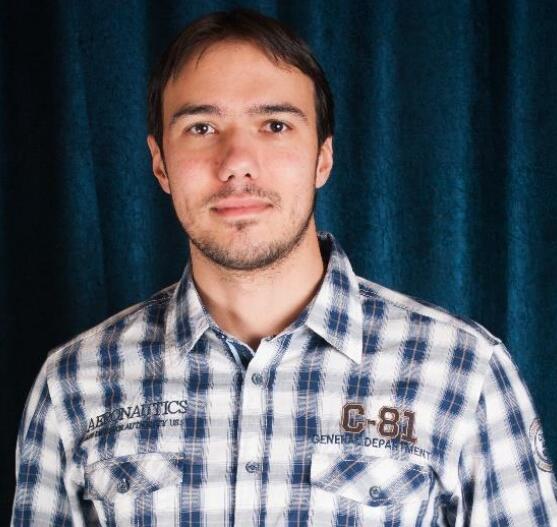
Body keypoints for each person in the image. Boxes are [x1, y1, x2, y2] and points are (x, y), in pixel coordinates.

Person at [11, 8, 557, 527]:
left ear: (323, 157)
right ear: (160, 164)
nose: (237, 163)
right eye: (201, 128)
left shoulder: (464, 373)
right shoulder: (73, 383)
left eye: (274, 125)